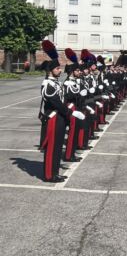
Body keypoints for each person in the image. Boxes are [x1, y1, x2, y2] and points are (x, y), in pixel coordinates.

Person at [39, 40, 85, 182]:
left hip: (59, 118)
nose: (60, 70)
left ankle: (54, 172)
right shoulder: (47, 84)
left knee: (58, 147)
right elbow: (56, 103)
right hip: (52, 118)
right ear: (50, 70)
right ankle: (49, 175)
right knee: (52, 147)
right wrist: (70, 113)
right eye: (57, 68)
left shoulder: (55, 83)